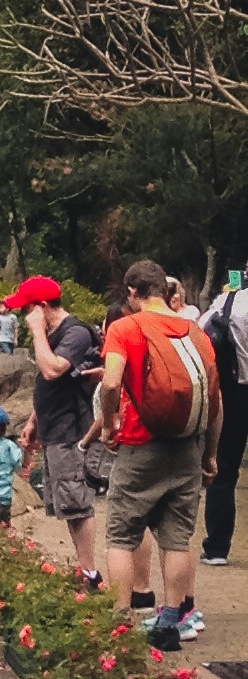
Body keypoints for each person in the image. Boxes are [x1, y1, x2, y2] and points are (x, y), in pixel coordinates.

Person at [97, 258, 222, 645]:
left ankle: (119, 623)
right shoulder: (196, 332)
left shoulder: (124, 328)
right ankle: (171, 621)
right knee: (177, 538)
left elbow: (111, 381)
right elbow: (215, 401)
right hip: (187, 447)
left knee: (120, 535)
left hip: (140, 446)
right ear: (166, 293)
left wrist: (109, 421)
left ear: (132, 292)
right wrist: (210, 456)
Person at [5, 276, 102, 585]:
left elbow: (52, 369)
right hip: (52, 428)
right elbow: (48, 384)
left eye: (26, 310)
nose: (22, 318)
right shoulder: (52, 334)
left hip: (72, 431)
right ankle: (84, 570)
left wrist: (36, 330)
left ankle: (91, 574)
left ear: (41, 307)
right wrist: (34, 421)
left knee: (77, 505)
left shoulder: (75, 333)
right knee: (66, 506)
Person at [198, 273, 248, 564]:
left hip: (234, 393)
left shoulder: (228, 300)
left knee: (224, 470)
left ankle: (217, 548)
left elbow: (201, 331)